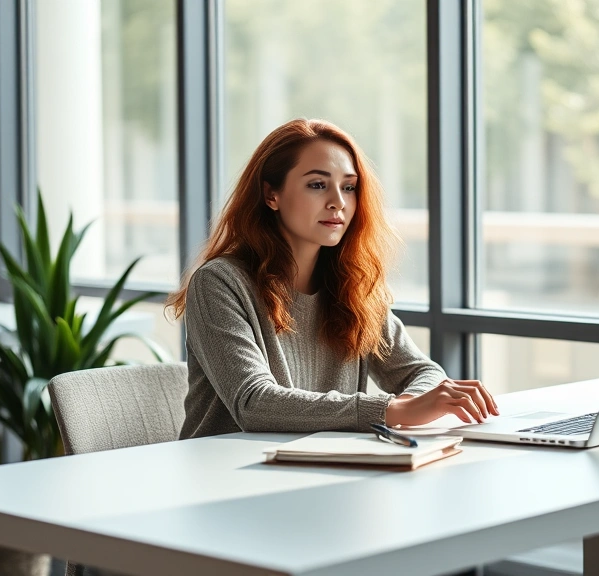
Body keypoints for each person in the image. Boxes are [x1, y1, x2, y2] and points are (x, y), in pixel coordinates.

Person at [167, 118, 499, 438]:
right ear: (271, 195)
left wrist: (419, 402)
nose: (338, 202)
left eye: (349, 187)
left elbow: (423, 372)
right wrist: (392, 411)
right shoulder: (219, 283)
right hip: (226, 476)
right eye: (317, 185)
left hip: (319, 470)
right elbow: (253, 402)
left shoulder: (355, 286)